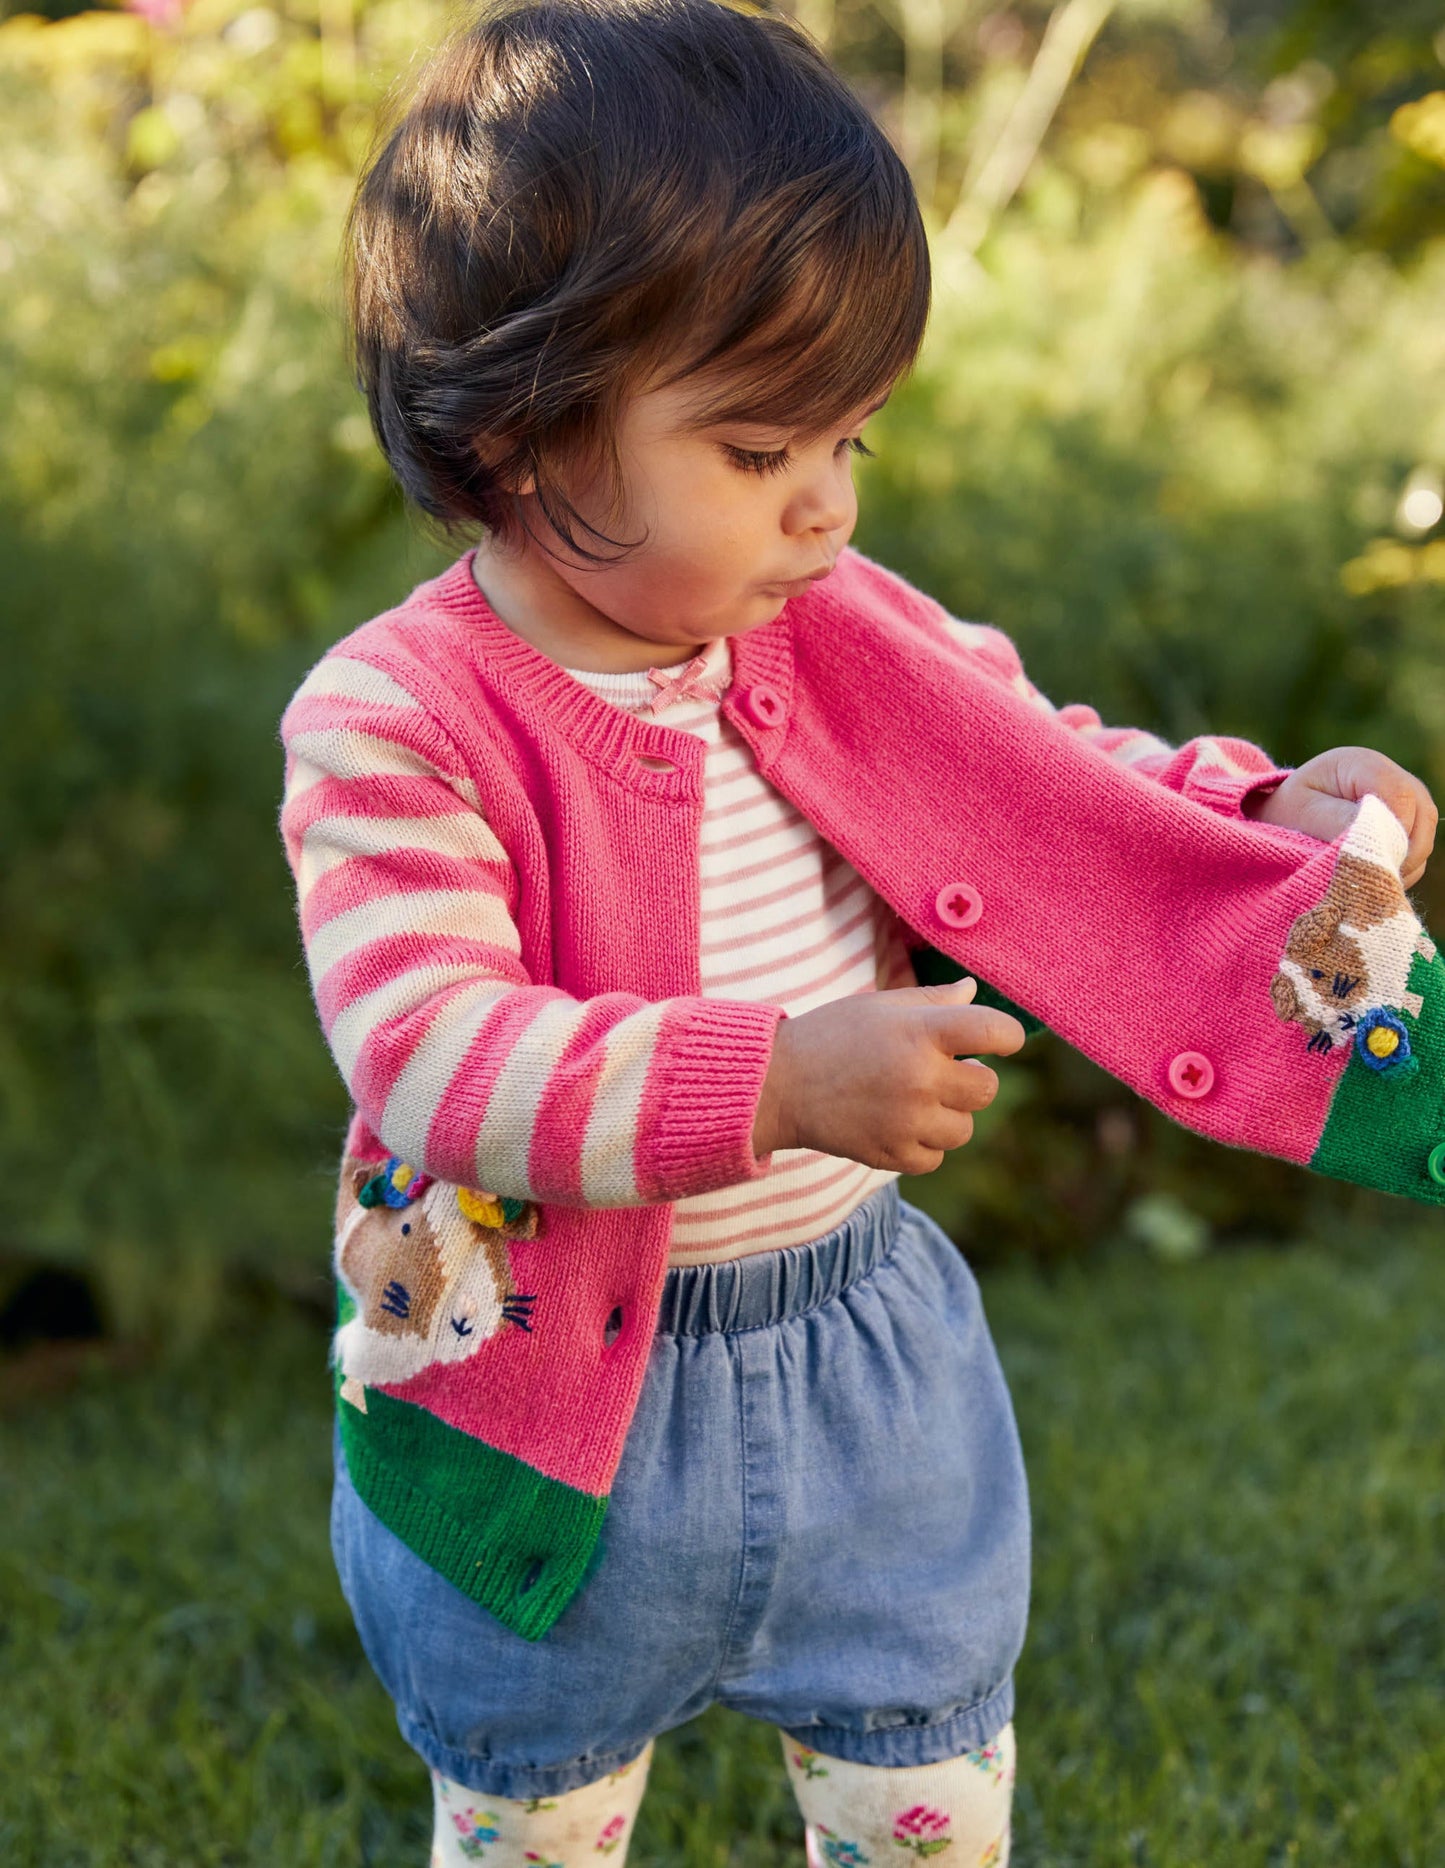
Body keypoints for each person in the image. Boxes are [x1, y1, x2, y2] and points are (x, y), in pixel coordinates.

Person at [276, 1, 1438, 1861]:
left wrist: (1250, 813)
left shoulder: (834, 619)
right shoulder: (398, 722)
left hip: (860, 1350)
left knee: (920, 1769)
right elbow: (431, 1053)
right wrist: (776, 1082)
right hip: (550, 1380)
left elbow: (1044, 772)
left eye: (851, 439)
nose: (824, 505)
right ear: (517, 433)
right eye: (757, 449)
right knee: (534, 1796)